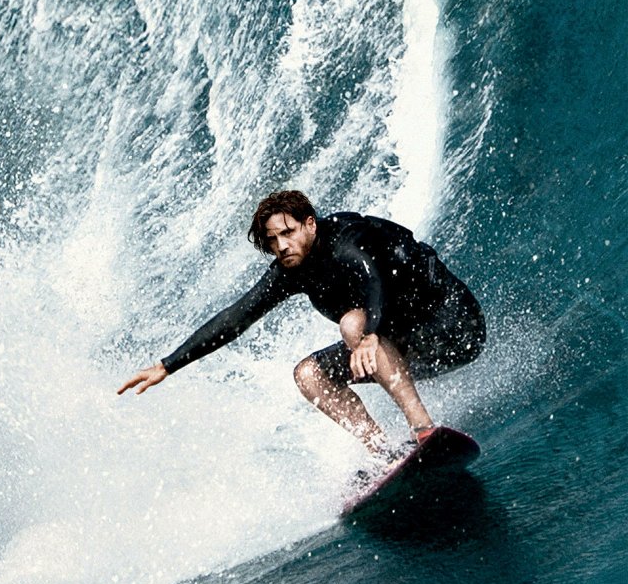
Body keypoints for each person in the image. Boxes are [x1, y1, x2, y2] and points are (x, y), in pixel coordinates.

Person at [118, 190, 484, 455]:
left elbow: (375, 276)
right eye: (272, 239)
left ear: (310, 224)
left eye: (288, 232)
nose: (281, 245)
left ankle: (423, 430)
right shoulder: (290, 270)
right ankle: (384, 454)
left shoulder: (348, 239)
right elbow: (237, 317)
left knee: (352, 325)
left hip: (453, 326)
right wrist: (168, 365)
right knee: (309, 374)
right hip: (406, 347)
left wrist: (370, 334)